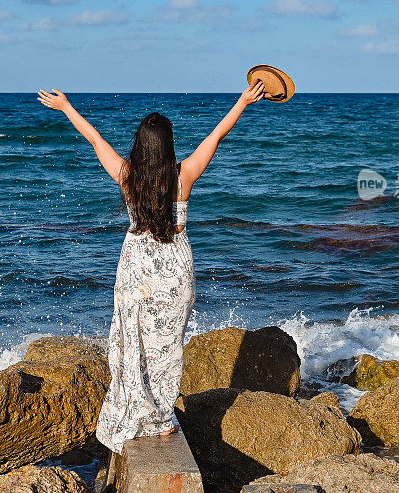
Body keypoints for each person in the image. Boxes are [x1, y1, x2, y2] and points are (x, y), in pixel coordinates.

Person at [36, 82, 265, 454]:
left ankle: (141, 413)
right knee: (167, 348)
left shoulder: (128, 177)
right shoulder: (183, 175)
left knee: (135, 345)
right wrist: (242, 100)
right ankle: (160, 420)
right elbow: (218, 135)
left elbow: (96, 141)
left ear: (140, 146)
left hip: (137, 273)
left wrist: (67, 108)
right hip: (176, 274)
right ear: (169, 145)